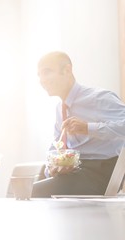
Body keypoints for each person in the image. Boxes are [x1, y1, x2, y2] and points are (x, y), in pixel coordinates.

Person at [32, 51, 125, 197]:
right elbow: (57, 143)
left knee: (36, 192)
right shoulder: (59, 108)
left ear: (67, 70)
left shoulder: (98, 98)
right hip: (75, 171)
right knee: (27, 188)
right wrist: (52, 167)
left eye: (47, 72)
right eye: (39, 75)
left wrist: (88, 128)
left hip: (99, 172)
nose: (42, 80)